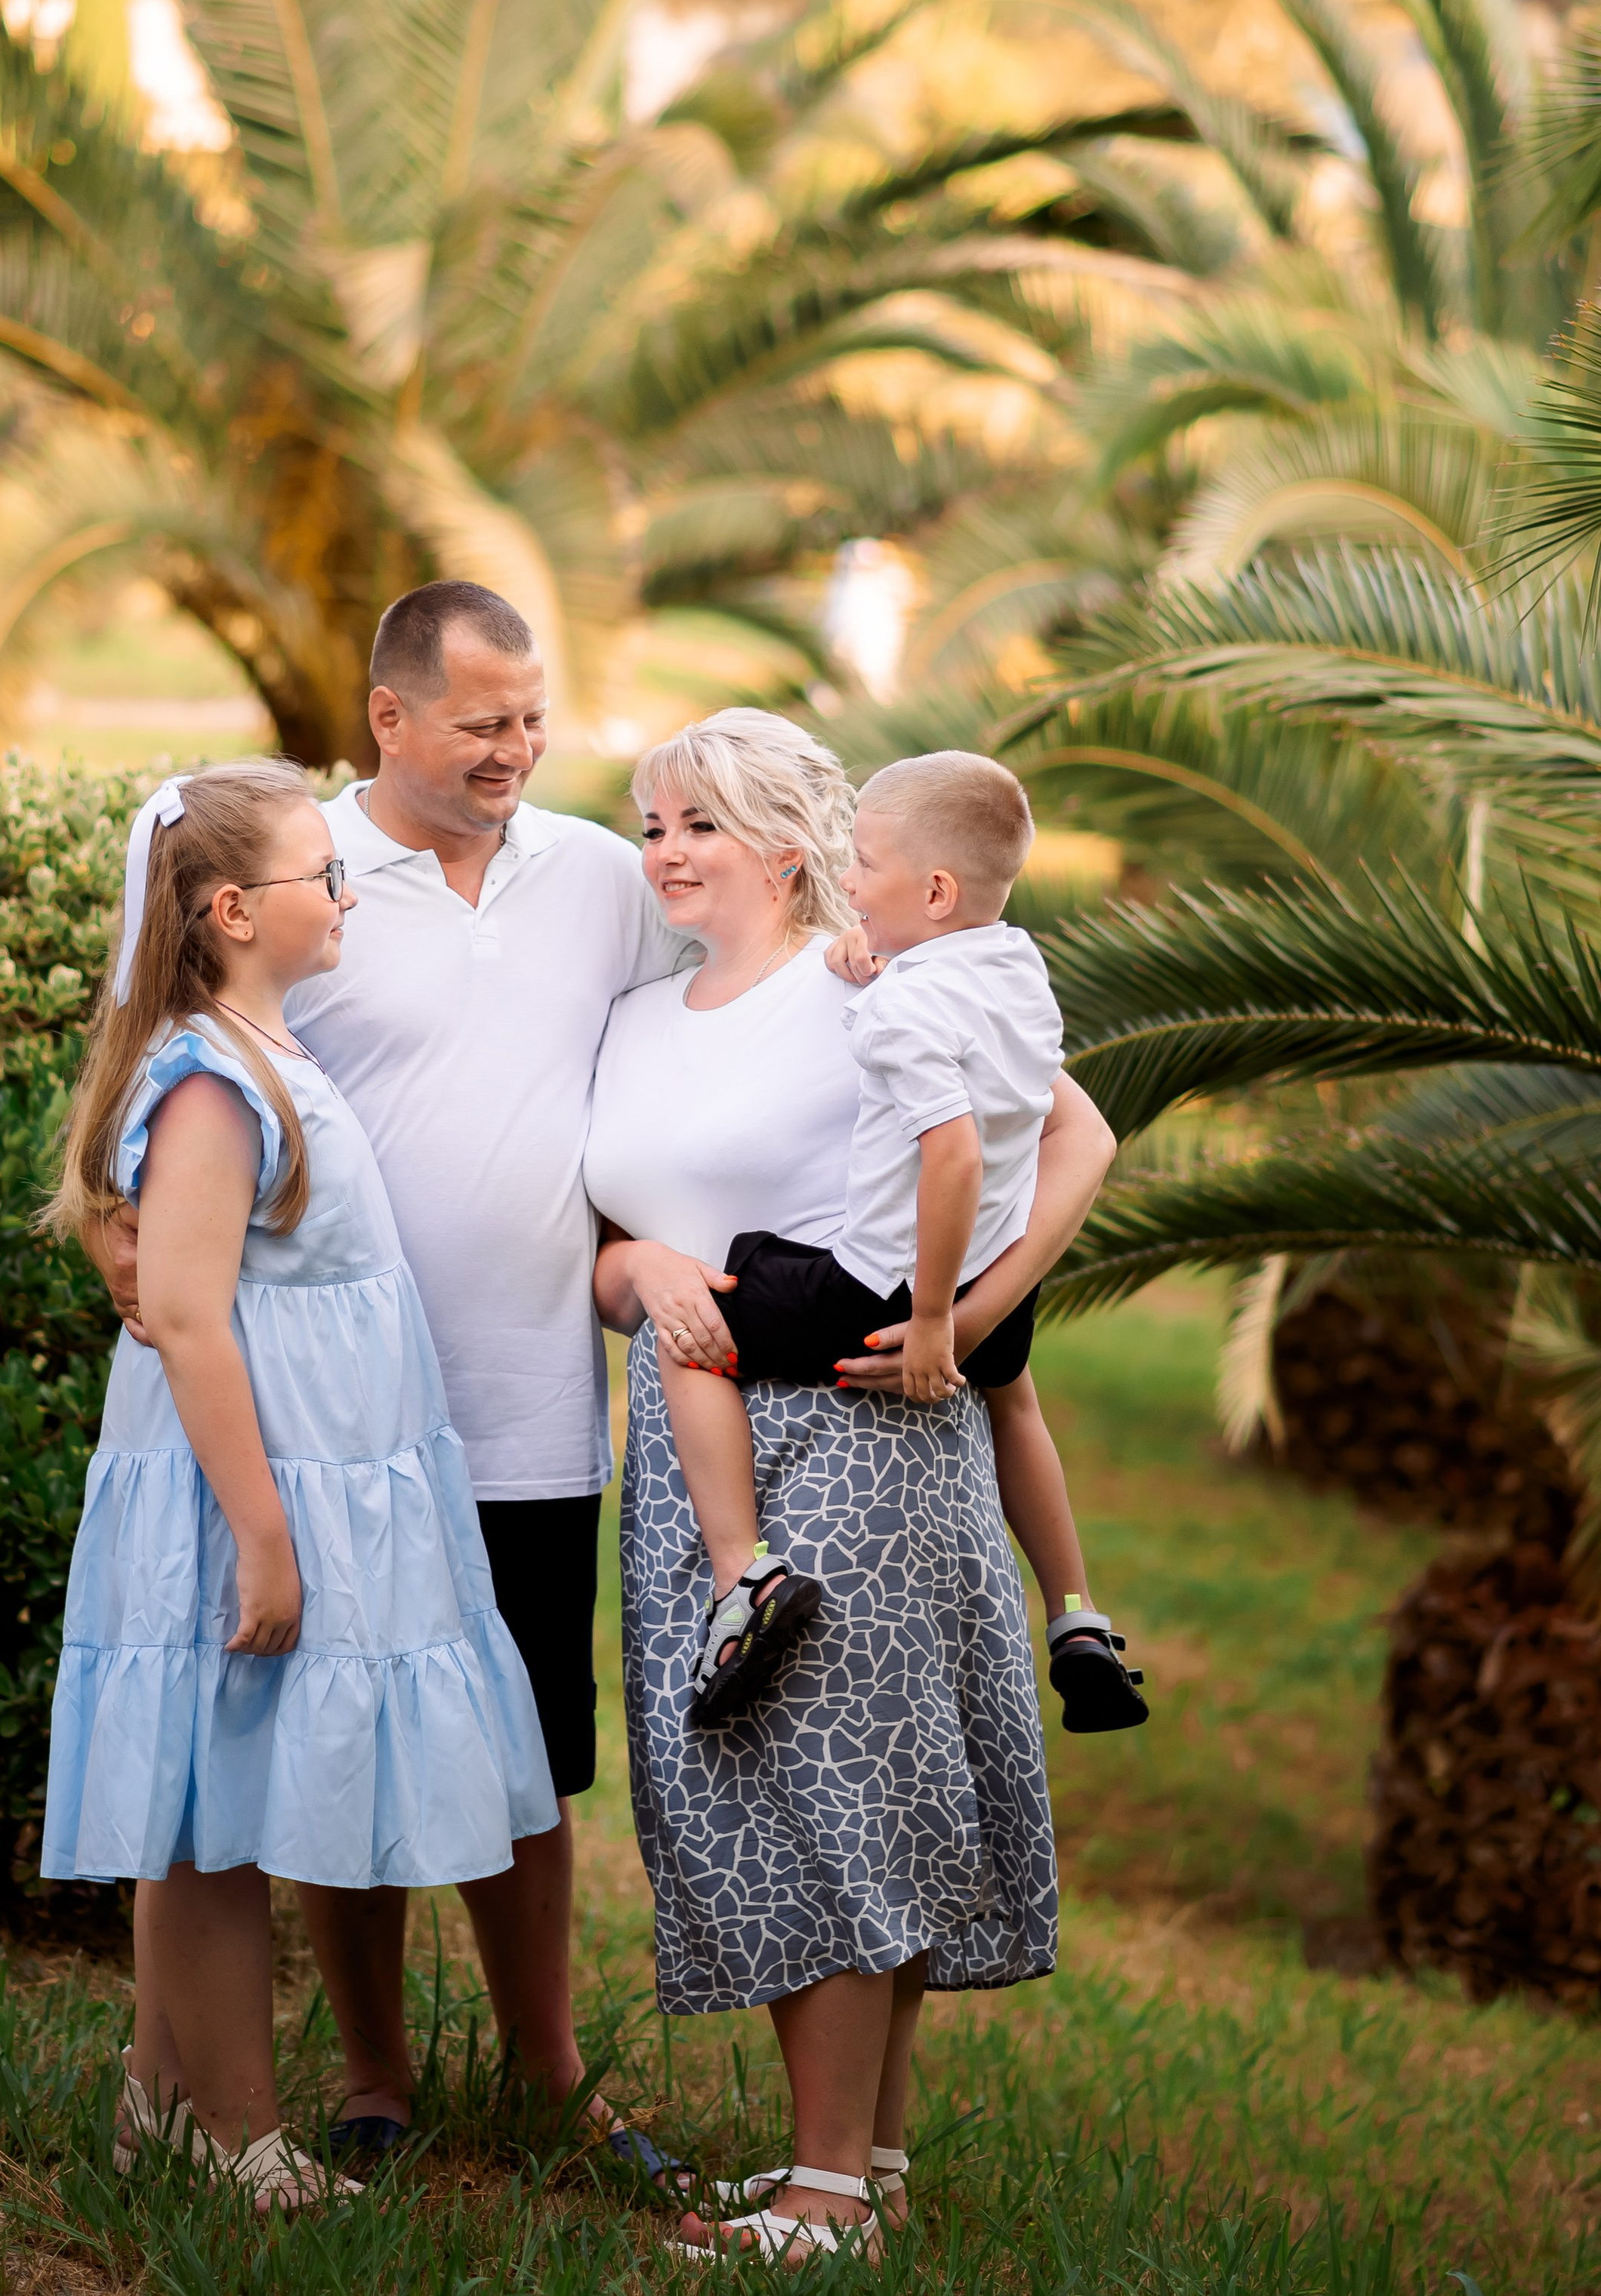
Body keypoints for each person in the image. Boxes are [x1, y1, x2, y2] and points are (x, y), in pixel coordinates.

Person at [86, 585, 692, 2171]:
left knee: (523, 1748)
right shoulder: (298, 872)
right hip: (321, 1422)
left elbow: (728, 997)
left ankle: (546, 2071)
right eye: (482, 721)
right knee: (339, 1730)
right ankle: (371, 2081)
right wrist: (130, 1265)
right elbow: (137, 1105)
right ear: (390, 720)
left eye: (531, 718)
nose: (516, 749)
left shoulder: (599, 878)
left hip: (525, 1406)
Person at [585, 708, 1117, 2264]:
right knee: (765, 1795)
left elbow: (1073, 1133)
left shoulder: (864, 978)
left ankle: (823, 2189)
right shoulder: (633, 1010)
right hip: (697, 1445)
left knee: (834, 1799)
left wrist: (962, 1315)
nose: (666, 851)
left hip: (855, 1429)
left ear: (787, 839)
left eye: (696, 822)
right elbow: (608, 1216)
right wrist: (628, 1260)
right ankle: (864, 2167)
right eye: (649, 824)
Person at [42, 760, 557, 2214]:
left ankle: (163, 2106)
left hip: (321, 1472)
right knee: (207, 1830)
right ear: (230, 908)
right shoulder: (214, 1076)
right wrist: (265, 1538)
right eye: (321, 876)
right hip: (245, 1495)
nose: (344, 894)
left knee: (215, 1798)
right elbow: (191, 1317)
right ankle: (248, 2141)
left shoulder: (270, 1047)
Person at [649, 741, 1146, 1739]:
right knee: (1017, 1403)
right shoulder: (1012, 964)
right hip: (999, 1280)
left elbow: (951, 1158)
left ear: (934, 886)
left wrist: (928, 1327)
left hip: (884, 1292)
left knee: (693, 1325)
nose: (846, 881)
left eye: (862, 863)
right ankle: (1077, 1615)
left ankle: (741, 1577)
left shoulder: (899, 1008)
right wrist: (873, 956)